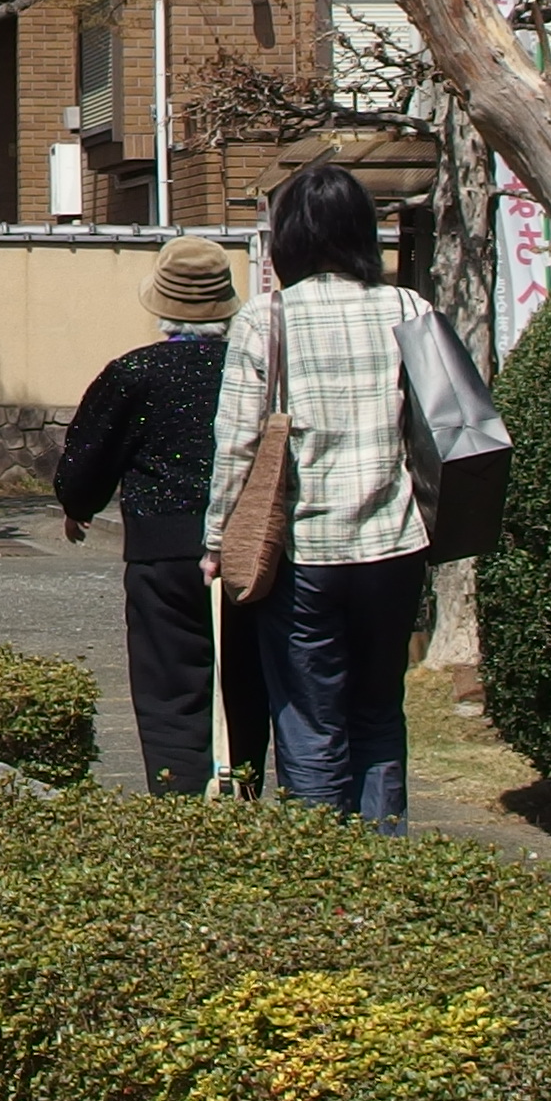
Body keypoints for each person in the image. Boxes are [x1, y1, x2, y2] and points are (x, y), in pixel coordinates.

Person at [204, 163, 434, 831]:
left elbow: (237, 445)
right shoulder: (408, 309)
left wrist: (217, 540)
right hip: (394, 545)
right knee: (378, 709)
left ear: (289, 239)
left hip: (303, 553)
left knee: (308, 717)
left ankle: (322, 874)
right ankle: (383, 863)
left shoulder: (266, 319)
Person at [56, 233, 273, 795]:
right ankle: (241, 794)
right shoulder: (255, 368)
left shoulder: (134, 373)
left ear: (159, 305)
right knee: (245, 682)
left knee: (169, 688)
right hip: (249, 551)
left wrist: (79, 507)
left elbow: (86, 460)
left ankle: (178, 811)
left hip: (161, 551)